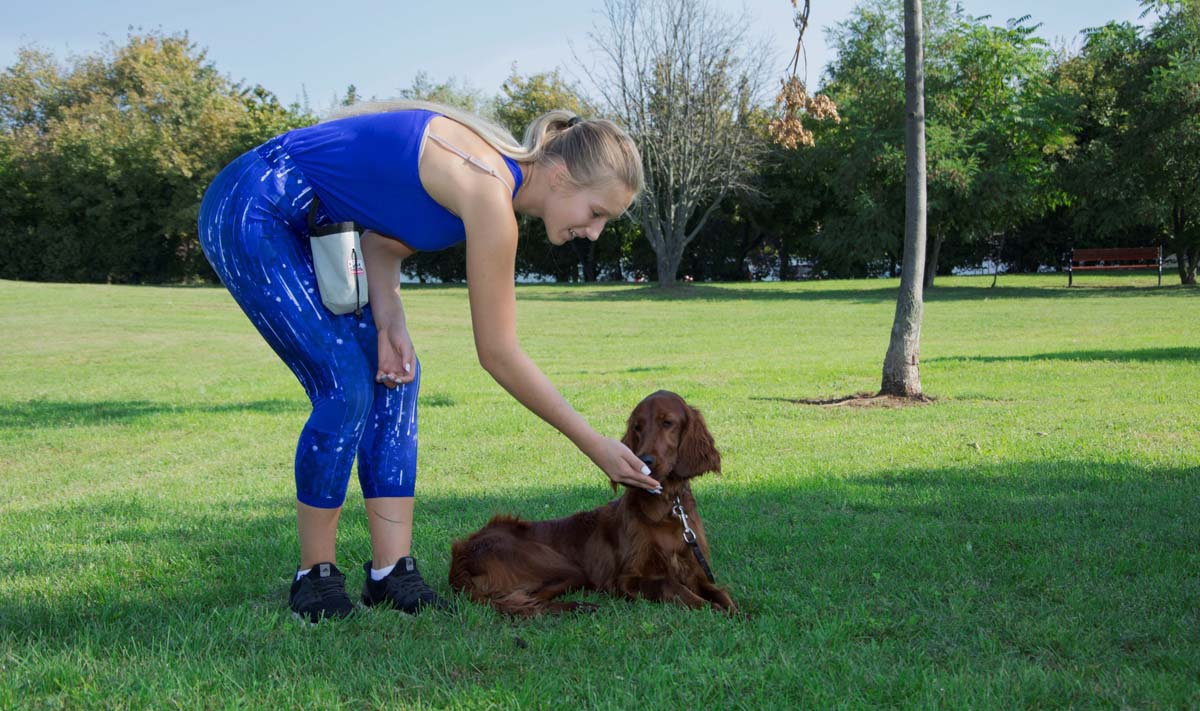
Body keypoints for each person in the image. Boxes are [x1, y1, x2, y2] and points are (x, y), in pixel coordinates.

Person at [197, 100, 660, 623]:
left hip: (321, 227)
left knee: (395, 380)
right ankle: (315, 575)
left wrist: (390, 318)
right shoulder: (487, 189)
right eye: (596, 213)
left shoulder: (488, 187)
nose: (595, 231)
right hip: (253, 204)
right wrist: (593, 442)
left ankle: (390, 572)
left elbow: (383, 244)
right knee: (346, 385)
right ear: (559, 175)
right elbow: (499, 354)